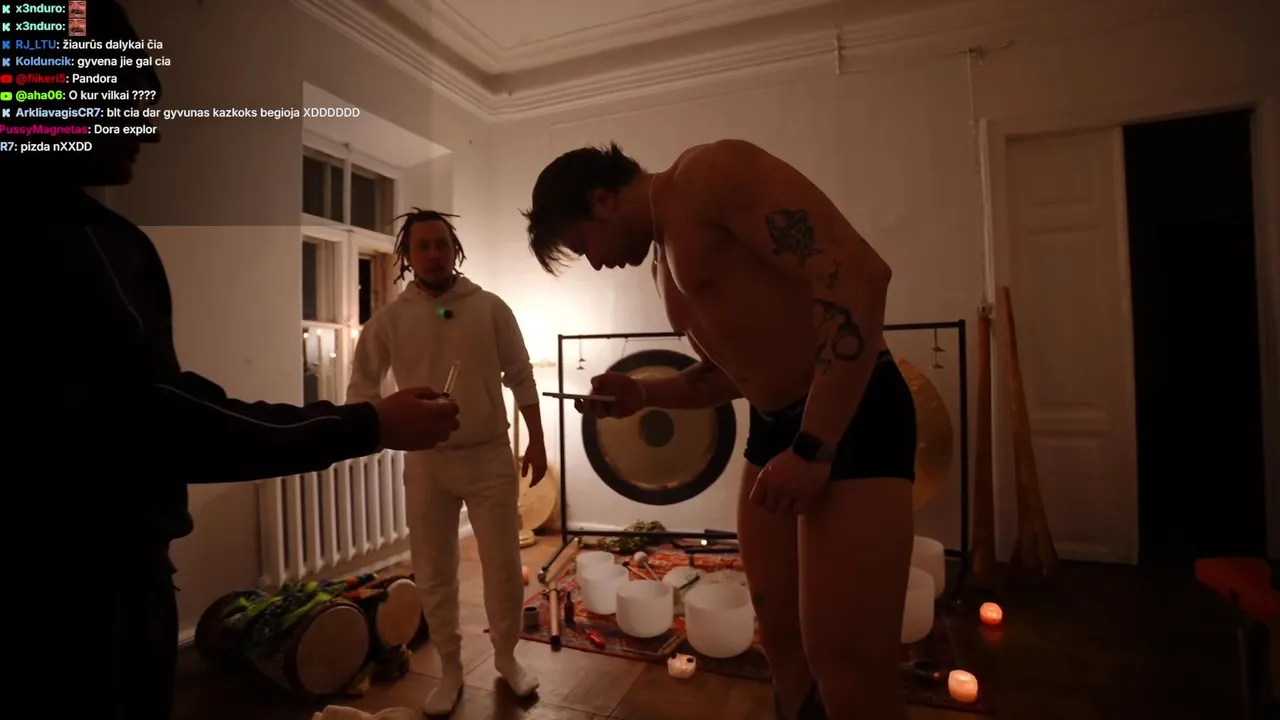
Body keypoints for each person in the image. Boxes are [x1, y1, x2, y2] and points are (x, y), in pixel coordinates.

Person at [9, 3, 461, 719]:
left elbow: (155, 403)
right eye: (129, 101)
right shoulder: (76, 246)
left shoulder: (84, 241)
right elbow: (159, 416)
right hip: (81, 602)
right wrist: (369, 422)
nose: (149, 130)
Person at [522, 140, 916, 720]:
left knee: (848, 656)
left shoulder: (710, 175)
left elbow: (858, 274)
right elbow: (734, 374)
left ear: (602, 200)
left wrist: (814, 445)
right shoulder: (661, 261)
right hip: (774, 426)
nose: (597, 263)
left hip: (850, 415)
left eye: (584, 246)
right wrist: (642, 394)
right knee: (779, 633)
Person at [347, 209, 548, 714]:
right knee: (434, 569)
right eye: (423, 246)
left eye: (441, 245)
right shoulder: (389, 321)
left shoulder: (490, 308)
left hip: (488, 455)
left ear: (454, 250)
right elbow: (362, 389)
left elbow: (521, 374)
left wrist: (538, 440)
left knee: (503, 566)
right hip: (426, 462)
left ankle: (507, 658)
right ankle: (452, 669)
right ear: (407, 256)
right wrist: (380, 429)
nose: (434, 254)